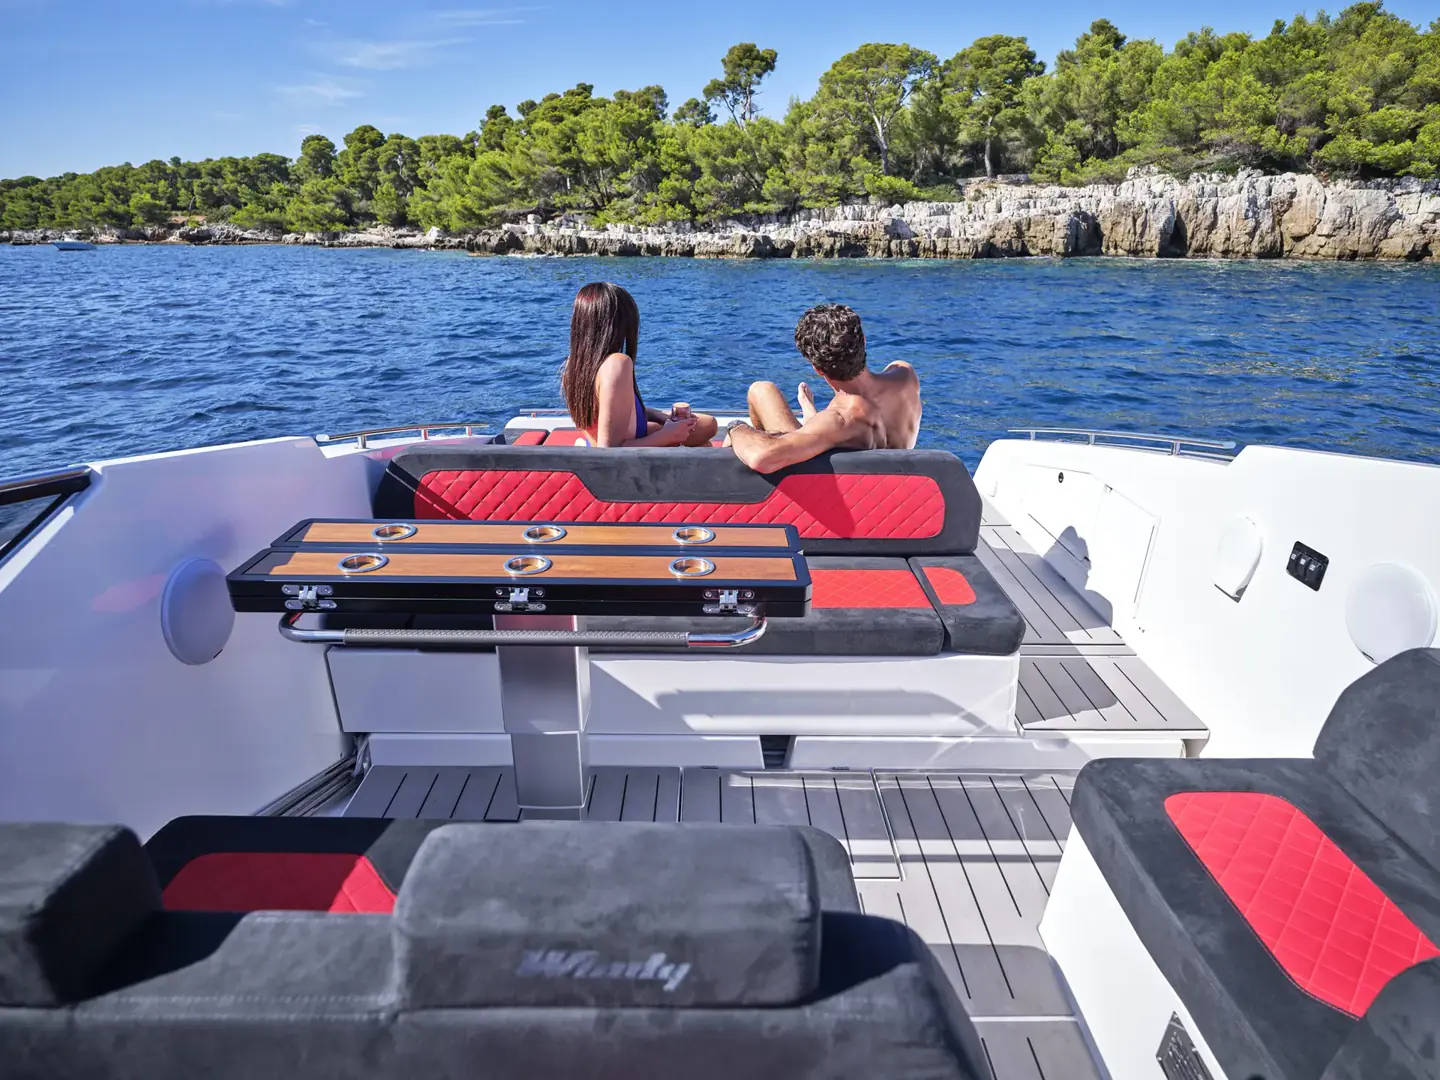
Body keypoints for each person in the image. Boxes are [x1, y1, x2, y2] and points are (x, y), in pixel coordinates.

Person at [725, 303, 920, 473]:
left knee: (760, 390)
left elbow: (762, 458)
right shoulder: (906, 376)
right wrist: (812, 413)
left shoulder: (840, 418)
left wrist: (736, 428)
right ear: (864, 341)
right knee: (763, 391)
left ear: (817, 369)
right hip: (896, 487)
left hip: (826, 489)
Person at [560, 282, 718, 447]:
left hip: (593, 447)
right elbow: (608, 452)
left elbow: (610, 413)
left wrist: (658, 415)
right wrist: (667, 436)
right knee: (704, 442)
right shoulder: (616, 364)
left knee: (707, 425)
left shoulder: (573, 367)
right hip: (626, 461)